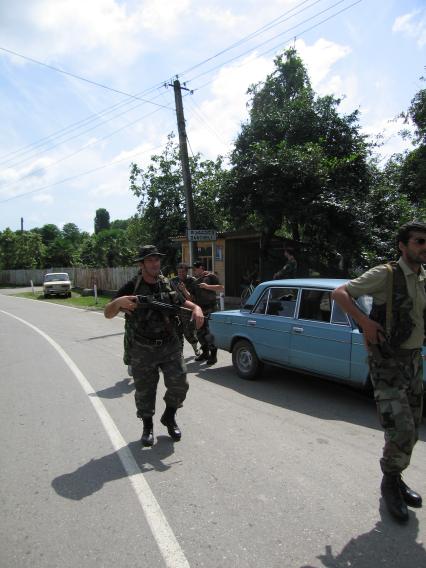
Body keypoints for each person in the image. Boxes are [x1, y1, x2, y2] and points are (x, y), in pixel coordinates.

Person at [332, 222, 426, 523]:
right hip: (387, 363)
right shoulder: (385, 274)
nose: (424, 247)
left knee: (411, 428)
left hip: (413, 361)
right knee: (401, 429)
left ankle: (396, 477)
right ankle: (389, 484)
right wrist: (365, 323)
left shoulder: (423, 277)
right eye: (418, 242)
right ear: (402, 245)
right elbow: (340, 293)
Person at [104, 245, 204, 447]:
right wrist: (119, 302)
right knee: (145, 390)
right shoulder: (131, 286)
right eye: (150, 260)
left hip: (169, 344)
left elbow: (183, 302)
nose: (155, 263)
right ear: (141, 264)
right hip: (142, 347)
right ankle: (147, 427)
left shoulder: (167, 284)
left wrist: (197, 308)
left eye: (157, 259)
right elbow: (108, 312)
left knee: (180, 384)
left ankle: (169, 416)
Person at [190, 260, 224, 365]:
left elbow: (221, 288)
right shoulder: (195, 281)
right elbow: (192, 297)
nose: (194, 271)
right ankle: (205, 353)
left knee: (209, 333)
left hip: (211, 309)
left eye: (196, 268)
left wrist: (207, 286)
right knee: (200, 333)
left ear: (201, 268)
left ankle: (213, 357)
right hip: (200, 310)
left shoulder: (210, 277)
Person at [171, 263, 201, 357]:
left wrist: (184, 290)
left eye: (182, 272)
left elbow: (192, 299)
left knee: (188, 333)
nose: (180, 273)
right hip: (176, 310)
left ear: (187, 272)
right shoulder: (173, 281)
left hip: (187, 310)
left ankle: (196, 348)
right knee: (177, 333)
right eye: (179, 272)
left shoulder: (192, 281)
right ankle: (180, 355)